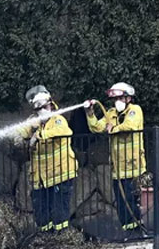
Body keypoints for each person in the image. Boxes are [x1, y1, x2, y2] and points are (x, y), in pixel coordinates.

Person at [85, 82, 145, 235]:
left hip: (134, 167)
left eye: (120, 98)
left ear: (128, 98)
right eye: (115, 98)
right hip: (117, 169)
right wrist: (90, 113)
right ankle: (128, 232)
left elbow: (130, 126)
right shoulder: (111, 113)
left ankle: (138, 231)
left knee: (132, 201)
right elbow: (96, 128)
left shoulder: (135, 110)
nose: (117, 101)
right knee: (121, 204)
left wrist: (113, 129)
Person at [15, 85, 77, 231]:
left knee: (60, 212)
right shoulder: (34, 121)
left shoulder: (58, 120)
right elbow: (21, 129)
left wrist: (39, 136)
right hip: (41, 178)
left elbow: (65, 131)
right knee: (41, 214)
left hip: (61, 174)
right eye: (38, 108)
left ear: (50, 104)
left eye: (44, 106)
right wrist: (17, 137)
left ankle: (63, 242)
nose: (42, 110)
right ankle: (47, 242)